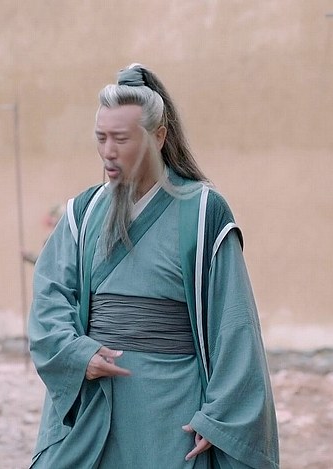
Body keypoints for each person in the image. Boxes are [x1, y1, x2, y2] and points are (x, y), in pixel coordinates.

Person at [28, 64, 279, 468]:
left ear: (159, 136)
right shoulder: (83, 213)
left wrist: (219, 416)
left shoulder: (203, 211)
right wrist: (76, 354)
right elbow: (49, 298)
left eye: (121, 138)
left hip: (172, 410)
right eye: (101, 138)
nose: (108, 151)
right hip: (95, 404)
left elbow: (235, 324)